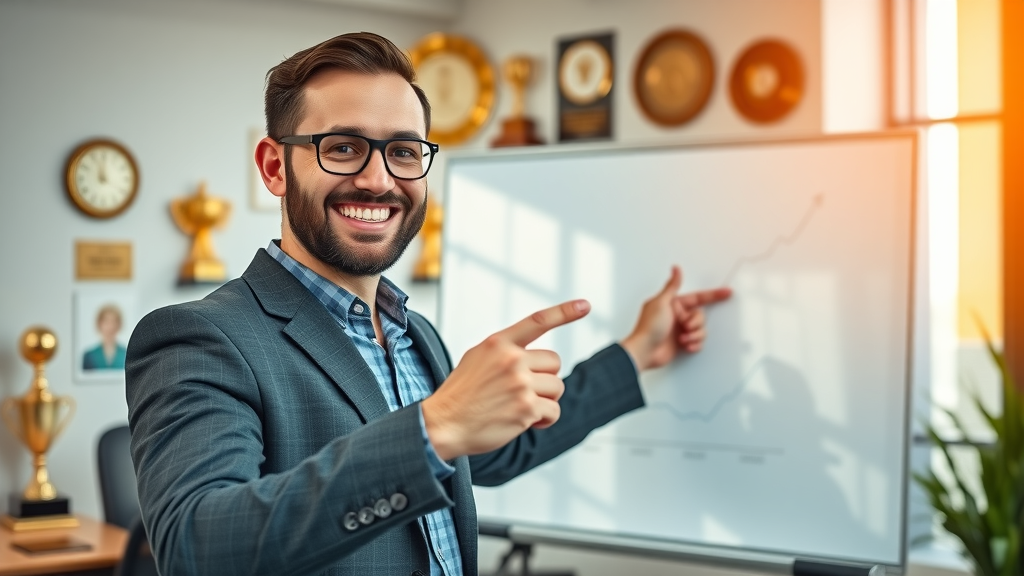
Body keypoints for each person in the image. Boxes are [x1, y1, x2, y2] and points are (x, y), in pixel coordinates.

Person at [125, 32, 732, 576]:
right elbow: (197, 547)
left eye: (405, 151)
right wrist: (433, 428)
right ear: (274, 166)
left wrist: (636, 353)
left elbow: (501, 451)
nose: (379, 180)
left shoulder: (414, 334)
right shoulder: (200, 338)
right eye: (342, 147)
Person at [83, 304, 127, 370]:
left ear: (119, 324)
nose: (110, 327)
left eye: (114, 322)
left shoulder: (125, 354)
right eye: (106, 322)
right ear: (99, 324)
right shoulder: (89, 356)